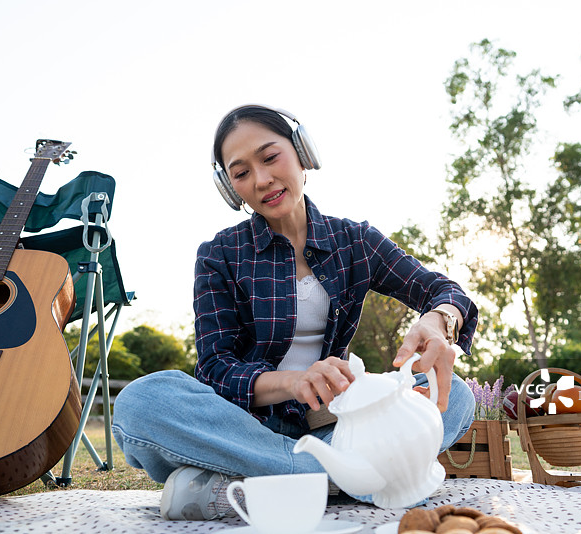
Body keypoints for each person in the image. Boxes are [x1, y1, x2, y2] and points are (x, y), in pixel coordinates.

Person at [111, 105, 479, 521]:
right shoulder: (219, 254)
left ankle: (255, 482)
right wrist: (295, 381)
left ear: (303, 153)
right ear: (230, 188)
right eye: (241, 172)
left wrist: (438, 319)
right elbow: (215, 367)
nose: (262, 179)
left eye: (270, 158)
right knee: (140, 402)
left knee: (459, 398)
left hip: (336, 425)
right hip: (243, 427)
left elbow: (444, 291)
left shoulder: (355, 241)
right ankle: (352, 479)